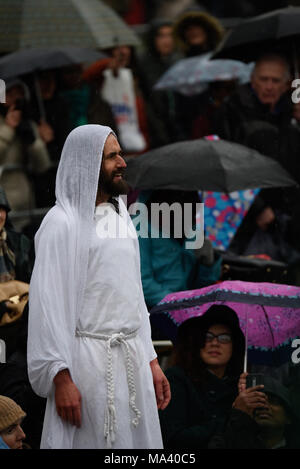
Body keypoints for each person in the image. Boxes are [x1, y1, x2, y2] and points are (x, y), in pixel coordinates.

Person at [27, 124, 171, 449]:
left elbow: (134, 298)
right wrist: (60, 378)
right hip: (87, 367)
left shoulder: (121, 219)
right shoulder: (60, 224)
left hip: (132, 359)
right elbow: (47, 308)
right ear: (87, 163)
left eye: (121, 154)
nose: (122, 162)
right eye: (112, 156)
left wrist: (151, 360)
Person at [159, 304, 268, 449]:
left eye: (224, 338)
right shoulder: (177, 379)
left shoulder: (239, 386)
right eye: (207, 336)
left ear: (234, 346)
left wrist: (251, 410)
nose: (215, 343)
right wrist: (235, 413)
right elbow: (174, 439)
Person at [134, 189, 222, 310]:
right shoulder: (140, 228)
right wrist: (178, 304)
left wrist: (207, 265)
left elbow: (200, 286)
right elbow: (142, 283)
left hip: (185, 309)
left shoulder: (192, 230)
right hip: (151, 311)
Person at [0, 79, 51, 229]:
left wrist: (32, 141)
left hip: (27, 205)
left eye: (19, 94)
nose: (16, 99)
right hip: (4, 204)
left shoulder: (28, 124)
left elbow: (42, 165)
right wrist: (8, 130)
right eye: (10, 94)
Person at [210, 375, 300, 449]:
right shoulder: (228, 440)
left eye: (273, 402)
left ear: (288, 417)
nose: (264, 406)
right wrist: (238, 416)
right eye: (257, 400)